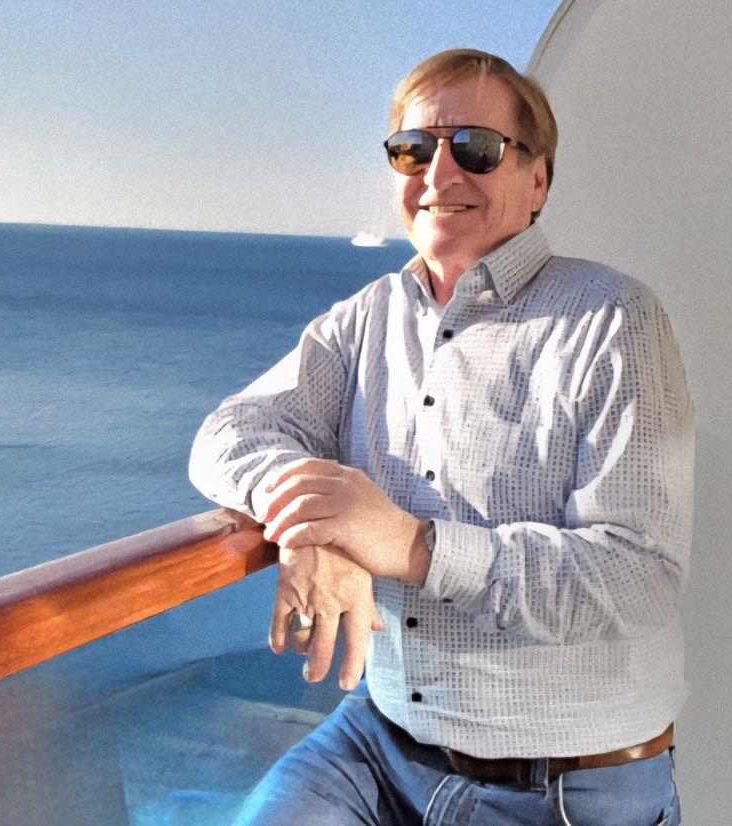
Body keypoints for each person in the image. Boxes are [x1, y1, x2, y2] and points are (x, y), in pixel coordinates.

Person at [189, 49, 692, 825]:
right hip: (381, 738)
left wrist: (408, 545)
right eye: (413, 148)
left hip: (560, 786)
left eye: (476, 148)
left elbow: (637, 574)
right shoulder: (368, 318)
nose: (439, 171)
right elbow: (230, 431)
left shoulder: (611, 320)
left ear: (537, 181)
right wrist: (316, 525)